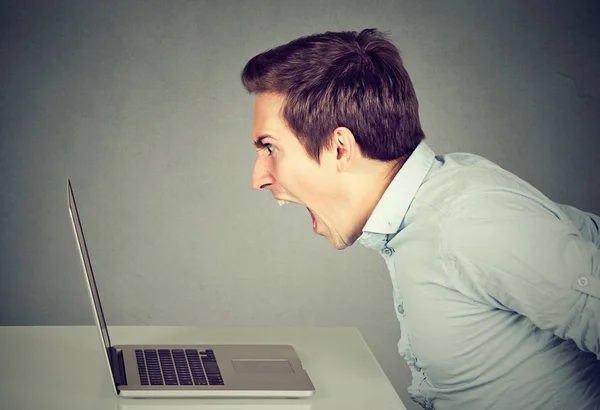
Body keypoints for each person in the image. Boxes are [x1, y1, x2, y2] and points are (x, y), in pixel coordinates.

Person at [240, 28, 600, 409]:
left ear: (339, 148)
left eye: (269, 147)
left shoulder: (468, 221)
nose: (258, 178)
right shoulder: (435, 206)